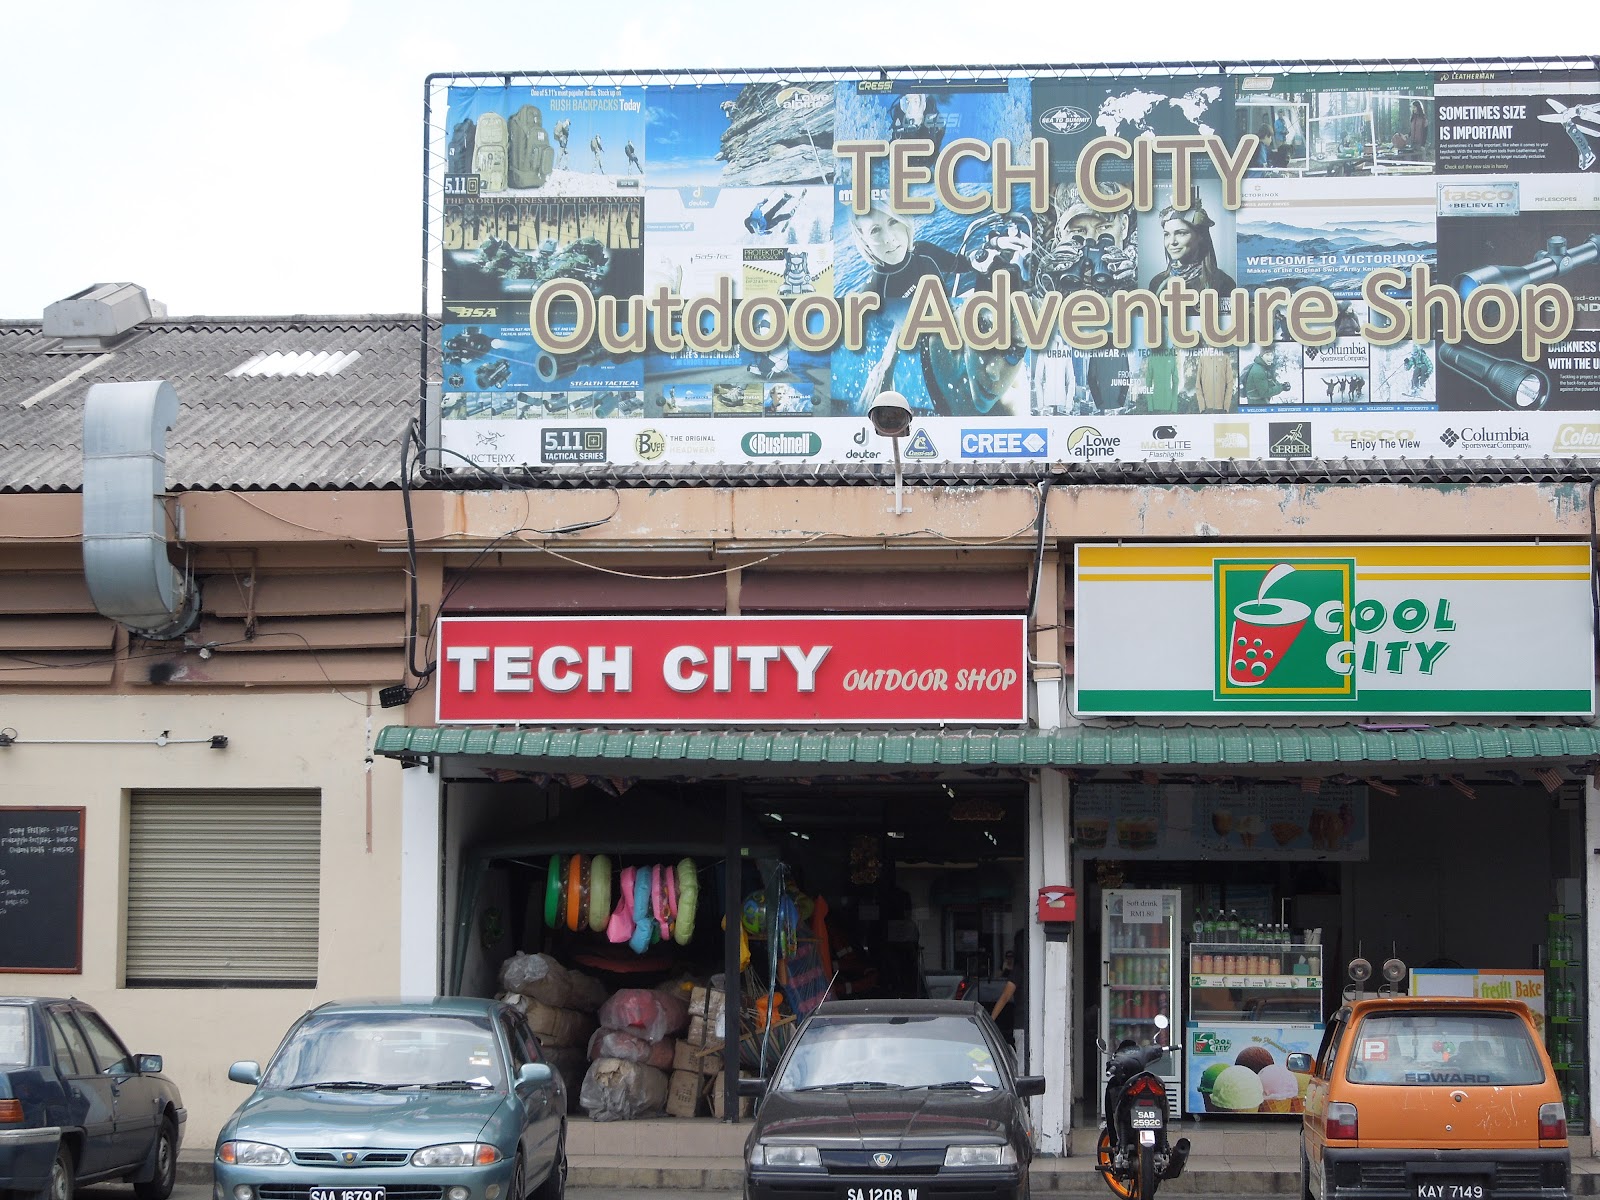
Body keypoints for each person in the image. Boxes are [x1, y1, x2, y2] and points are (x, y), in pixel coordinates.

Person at [1148, 195, 1237, 294]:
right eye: (1167, 234)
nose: (1172, 242)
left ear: (1200, 236)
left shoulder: (1222, 283)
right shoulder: (1157, 283)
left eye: (1181, 233)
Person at [990, 930, 1027, 1058]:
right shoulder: (1037, 966)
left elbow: (1005, 997)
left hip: (1022, 1025)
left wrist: (991, 1019)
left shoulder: (1019, 970)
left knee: (1023, 1068)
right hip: (1038, 1024)